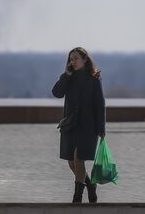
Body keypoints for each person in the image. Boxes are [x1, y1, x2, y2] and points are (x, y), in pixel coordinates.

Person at [52, 47, 106, 203]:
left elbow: (100, 104)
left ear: (84, 59)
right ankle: (90, 185)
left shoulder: (94, 77)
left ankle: (77, 197)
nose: (72, 61)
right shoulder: (69, 77)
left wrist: (101, 128)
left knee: (79, 158)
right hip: (70, 125)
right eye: (70, 59)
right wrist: (66, 75)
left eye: (75, 58)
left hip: (88, 126)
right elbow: (57, 93)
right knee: (71, 162)